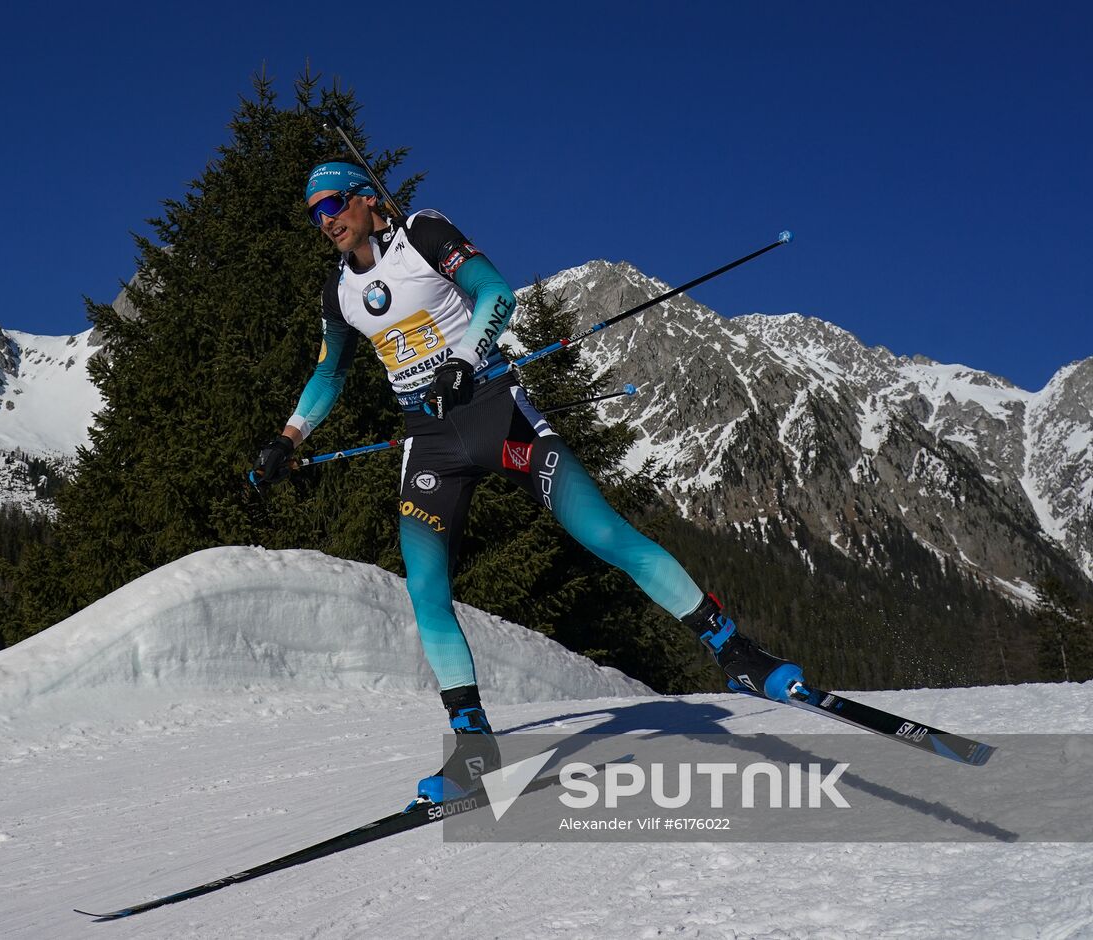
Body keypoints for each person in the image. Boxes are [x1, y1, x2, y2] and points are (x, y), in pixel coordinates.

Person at [251, 161, 802, 804]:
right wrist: (286, 441)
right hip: (428, 440)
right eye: (315, 213)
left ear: (367, 199)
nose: (326, 221)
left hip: (493, 412)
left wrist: (461, 362)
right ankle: (474, 745)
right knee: (426, 588)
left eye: (334, 205)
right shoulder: (338, 293)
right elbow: (330, 375)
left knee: (601, 531)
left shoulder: (424, 233)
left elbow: (496, 293)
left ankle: (735, 652)